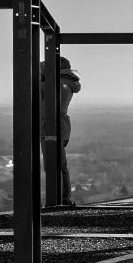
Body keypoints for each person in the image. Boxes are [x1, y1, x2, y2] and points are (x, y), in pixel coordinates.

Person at [56, 54, 81, 202]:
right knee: (59, 163)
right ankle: (63, 197)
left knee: (59, 164)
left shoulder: (60, 84)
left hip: (55, 126)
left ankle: (64, 198)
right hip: (61, 126)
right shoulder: (65, 82)